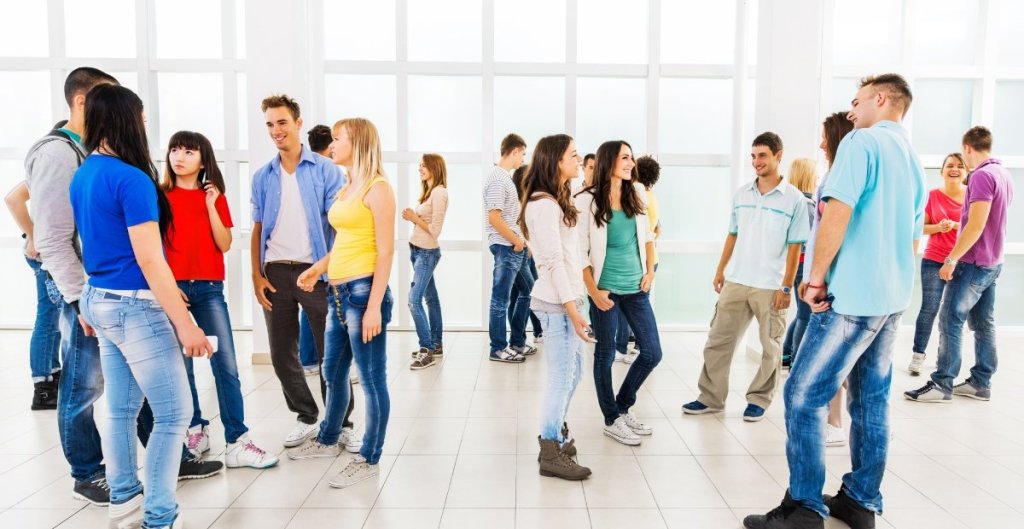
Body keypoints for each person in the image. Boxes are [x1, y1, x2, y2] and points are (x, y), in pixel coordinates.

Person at [744, 74, 926, 529]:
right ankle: (861, 501)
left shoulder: (862, 143)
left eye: (857, 101)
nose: (851, 111)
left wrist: (815, 280)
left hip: (852, 298)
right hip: (890, 298)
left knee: (803, 395)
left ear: (880, 99)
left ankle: (804, 508)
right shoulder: (912, 157)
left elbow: (837, 213)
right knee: (871, 401)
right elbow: (913, 235)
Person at [71, 83, 215, 529]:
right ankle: (159, 515)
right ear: (125, 121)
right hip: (134, 307)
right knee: (174, 413)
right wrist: (186, 324)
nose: (146, 127)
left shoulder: (85, 172)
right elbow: (150, 260)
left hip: (100, 298)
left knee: (120, 409)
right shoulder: (131, 179)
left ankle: (124, 499)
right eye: (142, 119)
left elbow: (90, 244)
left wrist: (88, 303)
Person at [288, 118, 395, 490]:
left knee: (372, 380)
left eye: (337, 139)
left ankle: (369, 457)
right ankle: (328, 437)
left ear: (358, 142)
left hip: (363, 294)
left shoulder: (379, 188)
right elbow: (345, 243)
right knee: (332, 372)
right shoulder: (348, 187)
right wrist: (318, 268)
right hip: (337, 293)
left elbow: (385, 252)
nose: (330, 145)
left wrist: (374, 306)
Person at [161, 130, 278, 469]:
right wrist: (166, 286)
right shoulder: (159, 196)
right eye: (175, 150)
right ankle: (195, 429)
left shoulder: (215, 196)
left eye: (188, 151)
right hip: (173, 288)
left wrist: (211, 205)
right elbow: (151, 246)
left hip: (209, 287)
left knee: (225, 364)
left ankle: (237, 441)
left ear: (203, 160)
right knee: (181, 366)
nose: (179, 156)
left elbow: (224, 244)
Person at [682, 132, 808, 422]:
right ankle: (711, 397)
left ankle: (759, 400)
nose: (756, 162)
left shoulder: (794, 200)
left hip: (771, 285)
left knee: (770, 347)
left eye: (762, 155)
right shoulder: (742, 195)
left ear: (778, 156)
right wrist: (720, 270)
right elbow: (733, 234)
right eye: (753, 156)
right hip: (737, 280)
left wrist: (786, 287)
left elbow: (795, 247)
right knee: (717, 342)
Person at [250, 95, 344, 449]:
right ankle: (306, 416)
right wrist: (256, 275)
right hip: (275, 272)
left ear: (298, 123)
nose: (276, 130)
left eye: (282, 122)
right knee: (280, 354)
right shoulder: (263, 176)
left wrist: (330, 268)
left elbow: (339, 225)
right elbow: (258, 228)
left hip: (316, 272)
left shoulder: (326, 170)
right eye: (270, 124)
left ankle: (341, 421)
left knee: (330, 353)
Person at [905, 126, 1014, 403]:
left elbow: (976, 225)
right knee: (983, 323)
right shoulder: (1003, 173)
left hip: (973, 262)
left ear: (967, 148)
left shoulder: (981, 176)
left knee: (950, 319)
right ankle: (981, 382)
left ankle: (942, 383)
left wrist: (952, 258)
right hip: (993, 262)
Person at [576, 139, 662, 446]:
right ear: (609, 161)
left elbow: (648, 237)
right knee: (606, 355)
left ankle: (623, 406)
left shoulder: (636, 191)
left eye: (631, 158)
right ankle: (611, 419)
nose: (630, 163)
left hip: (636, 287)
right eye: (625, 158)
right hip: (605, 290)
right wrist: (593, 291)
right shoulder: (585, 200)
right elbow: (580, 252)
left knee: (652, 352)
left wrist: (650, 272)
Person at [520, 134, 593, 480]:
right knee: (561, 378)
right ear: (556, 161)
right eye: (573, 155)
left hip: (567, 300)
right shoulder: (544, 205)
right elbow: (552, 262)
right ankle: (550, 448)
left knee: (574, 373)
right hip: (556, 303)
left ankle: (556, 434)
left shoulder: (555, 199)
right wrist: (573, 311)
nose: (578, 160)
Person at [5, 122, 67, 410]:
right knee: (48, 317)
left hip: (49, 250)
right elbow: (12, 198)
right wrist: (33, 235)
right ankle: (43, 387)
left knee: (54, 317)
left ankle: (52, 374)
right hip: (45, 253)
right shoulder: (53, 163)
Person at [804, 113, 856, 449]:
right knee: (847, 361)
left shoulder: (838, 180)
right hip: (836, 283)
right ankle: (846, 423)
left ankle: (835, 424)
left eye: (825, 137)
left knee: (829, 361)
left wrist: (815, 280)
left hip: (835, 286)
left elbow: (827, 233)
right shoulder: (835, 176)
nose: (821, 144)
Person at [907, 153, 967, 376]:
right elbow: (920, 227)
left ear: (966, 172)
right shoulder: (931, 196)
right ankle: (918, 355)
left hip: (962, 261)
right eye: (949, 165)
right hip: (933, 260)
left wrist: (955, 225)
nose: (954, 169)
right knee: (930, 307)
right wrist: (939, 227)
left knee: (953, 313)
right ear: (942, 171)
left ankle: (945, 358)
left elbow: (977, 227)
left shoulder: (972, 196)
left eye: (959, 166)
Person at [484, 133, 535, 363]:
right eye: (522, 154)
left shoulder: (504, 178)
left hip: (515, 247)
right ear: (514, 151)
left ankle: (517, 342)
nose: (522, 159)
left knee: (530, 292)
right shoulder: (498, 178)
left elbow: (510, 217)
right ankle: (498, 348)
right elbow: (494, 218)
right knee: (500, 300)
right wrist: (516, 241)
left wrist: (523, 242)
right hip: (506, 247)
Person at [296, 124, 336, 376]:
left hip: (307, 254)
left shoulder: (305, 170)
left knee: (309, 308)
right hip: (326, 255)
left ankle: (309, 360)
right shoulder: (329, 171)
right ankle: (322, 360)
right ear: (331, 146)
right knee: (326, 309)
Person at [404, 153, 449, 370]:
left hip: (427, 253)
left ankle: (427, 349)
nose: (420, 169)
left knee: (414, 300)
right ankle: (436, 344)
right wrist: (414, 218)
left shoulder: (439, 192)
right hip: (417, 250)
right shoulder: (429, 191)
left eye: (424, 165)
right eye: (419, 165)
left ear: (434, 167)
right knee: (431, 298)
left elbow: (435, 230)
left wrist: (414, 218)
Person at [781, 158, 818, 369]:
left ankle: (787, 353)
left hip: (794, 264)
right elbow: (812, 240)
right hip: (804, 265)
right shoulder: (808, 206)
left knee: (802, 313)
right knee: (806, 314)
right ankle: (796, 361)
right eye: (815, 175)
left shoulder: (792, 202)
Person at [511, 164, 543, 345]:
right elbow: (516, 228)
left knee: (524, 294)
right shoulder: (516, 202)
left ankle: (529, 335)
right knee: (528, 293)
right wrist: (525, 244)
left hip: (526, 252)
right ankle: (518, 340)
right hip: (521, 251)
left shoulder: (527, 200)